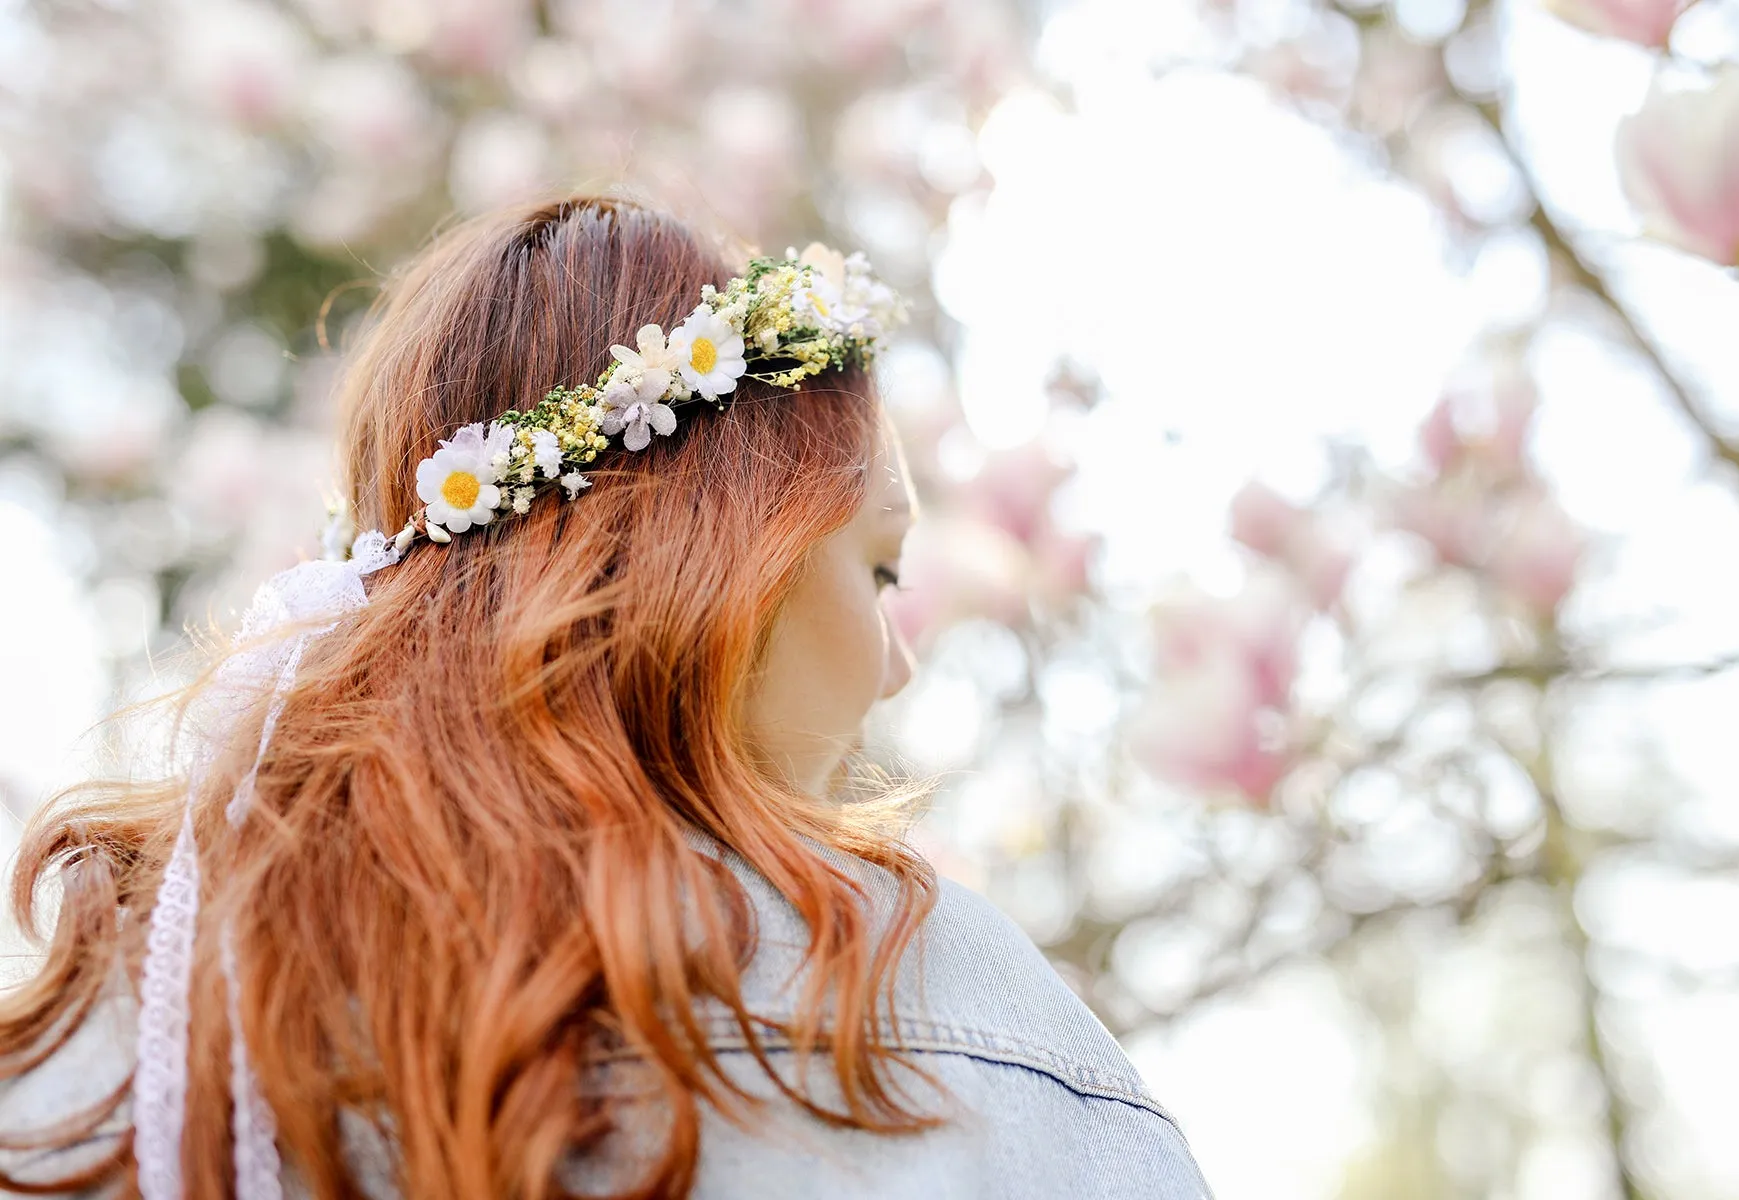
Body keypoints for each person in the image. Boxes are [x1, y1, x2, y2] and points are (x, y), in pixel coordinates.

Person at [0, 195, 1211, 1198]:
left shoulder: (126, 1012)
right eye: (879, 572)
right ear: (734, 560)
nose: (897, 663)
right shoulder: (949, 1006)